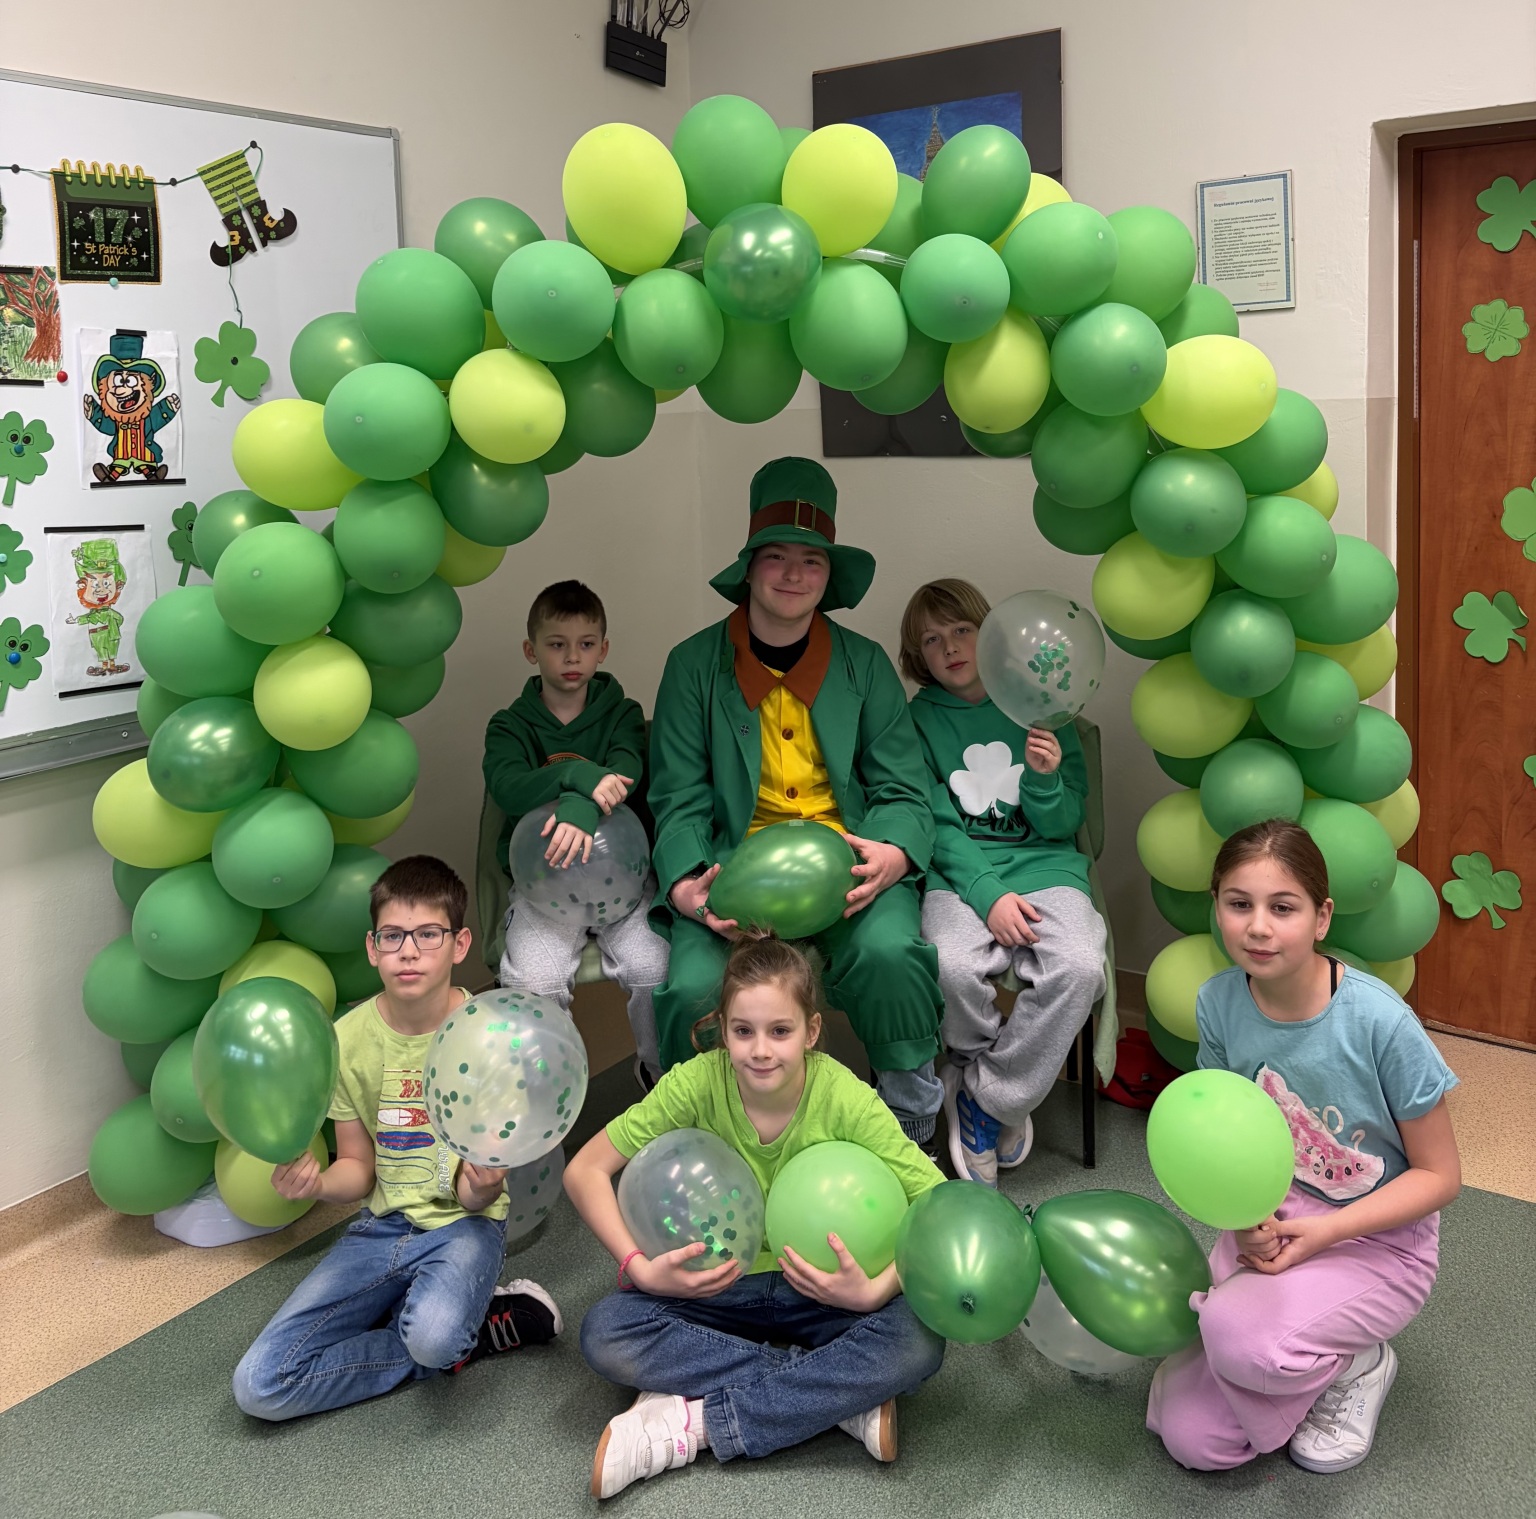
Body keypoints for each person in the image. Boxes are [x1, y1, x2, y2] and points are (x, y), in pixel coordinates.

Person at [566, 936, 946, 1499]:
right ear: (723, 1030)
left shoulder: (845, 1096)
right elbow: (585, 1171)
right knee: (606, 1333)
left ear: (811, 1032)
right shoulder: (695, 1082)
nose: (761, 1050)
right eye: (743, 1031)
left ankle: (697, 1423)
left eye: (780, 1031)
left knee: (919, 1340)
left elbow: (938, 1204)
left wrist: (873, 1292)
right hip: (716, 1289)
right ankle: (835, 1397)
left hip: (821, 1293)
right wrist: (640, 1269)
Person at [1147, 819, 1460, 1474]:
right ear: (1216, 908)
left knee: (1236, 1339)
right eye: (1239, 903)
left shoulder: (1381, 1022)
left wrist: (1326, 1233)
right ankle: (1269, 1342)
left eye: (1283, 907)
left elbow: (1440, 1177)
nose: (1258, 927)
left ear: (1322, 917)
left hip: (1379, 1241)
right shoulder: (1218, 1003)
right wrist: (1246, 1218)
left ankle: (1357, 1363)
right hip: (1276, 1218)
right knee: (1193, 1439)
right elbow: (1226, 1137)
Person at [648, 456, 945, 1145]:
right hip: (735, 873)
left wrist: (893, 854)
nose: (792, 574)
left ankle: (910, 1118)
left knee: (892, 954)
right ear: (749, 568)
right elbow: (677, 794)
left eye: (811, 560)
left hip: (849, 869)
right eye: (776, 556)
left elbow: (904, 786)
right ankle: (705, 1135)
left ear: (827, 575)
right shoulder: (693, 666)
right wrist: (690, 885)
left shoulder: (865, 663)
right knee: (694, 986)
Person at [232, 856, 561, 1420]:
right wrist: (317, 1185)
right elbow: (357, 1168)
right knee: (259, 1386)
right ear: (372, 948)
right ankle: (463, 1331)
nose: (409, 951)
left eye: (428, 934)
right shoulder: (345, 1042)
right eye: (393, 936)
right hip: (382, 1227)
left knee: (433, 1338)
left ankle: (452, 1333)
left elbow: (474, 1196)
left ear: (459, 944)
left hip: (464, 1226)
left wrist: (484, 1186)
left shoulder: (490, 1036)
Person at [899, 578, 1107, 1184]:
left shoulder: (1043, 704)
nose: (949, 647)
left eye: (962, 630)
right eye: (931, 639)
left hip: (1048, 868)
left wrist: (1044, 778)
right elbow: (934, 825)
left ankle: (986, 1100)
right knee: (949, 965)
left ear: (990, 635)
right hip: (959, 876)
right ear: (918, 655)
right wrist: (988, 896)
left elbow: (1065, 822)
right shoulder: (914, 722)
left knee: (1079, 967)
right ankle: (985, 1076)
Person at [484, 580, 669, 1084]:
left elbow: (626, 772)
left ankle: (661, 1078)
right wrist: (580, 777)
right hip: (543, 886)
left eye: (586, 644)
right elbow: (509, 788)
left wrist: (578, 805)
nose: (572, 656)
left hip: (624, 883)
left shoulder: (622, 713)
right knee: (534, 981)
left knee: (654, 968)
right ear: (531, 651)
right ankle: (551, 1092)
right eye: (556, 644)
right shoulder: (509, 726)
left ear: (602, 650)